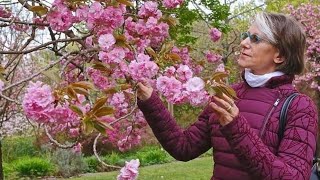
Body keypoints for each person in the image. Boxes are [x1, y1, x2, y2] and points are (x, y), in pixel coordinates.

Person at [136, 12, 318, 180]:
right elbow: (184, 147)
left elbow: (293, 177)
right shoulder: (228, 95)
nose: (244, 43)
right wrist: (150, 101)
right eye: (245, 35)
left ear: (280, 55)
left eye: (255, 39)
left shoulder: (300, 107)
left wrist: (236, 129)